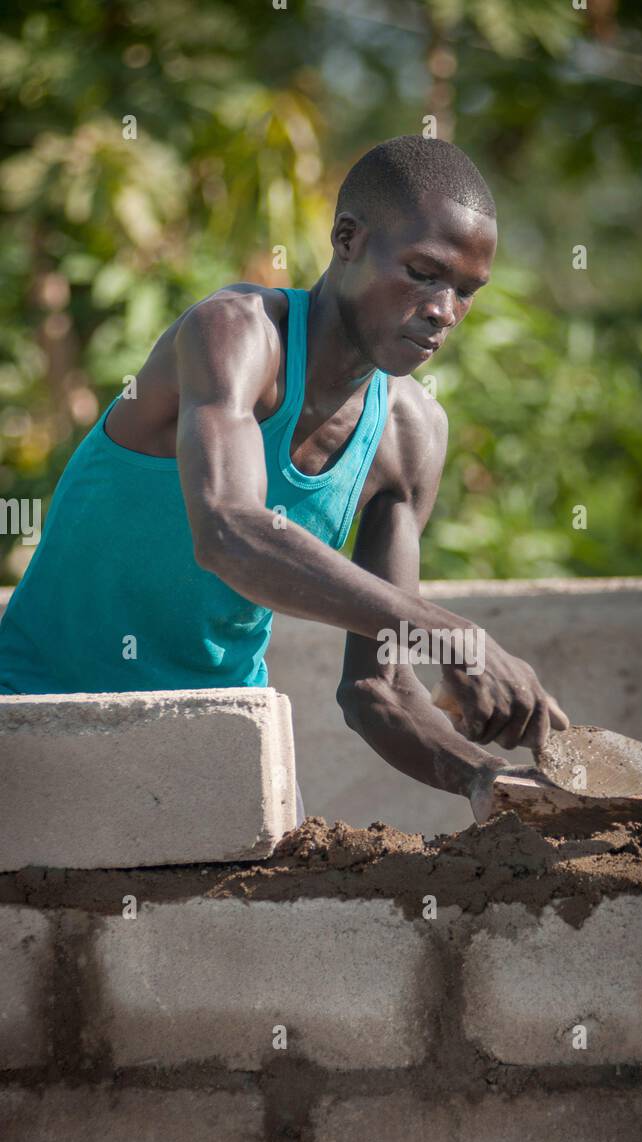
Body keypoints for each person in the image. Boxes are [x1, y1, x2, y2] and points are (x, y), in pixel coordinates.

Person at [0, 135, 567, 822]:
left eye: (465, 292)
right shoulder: (235, 335)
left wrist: (491, 780)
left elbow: (378, 690)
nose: (444, 310)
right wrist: (449, 634)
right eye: (423, 273)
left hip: (222, 741)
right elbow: (228, 530)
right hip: (33, 720)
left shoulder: (411, 434)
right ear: (347, 239)